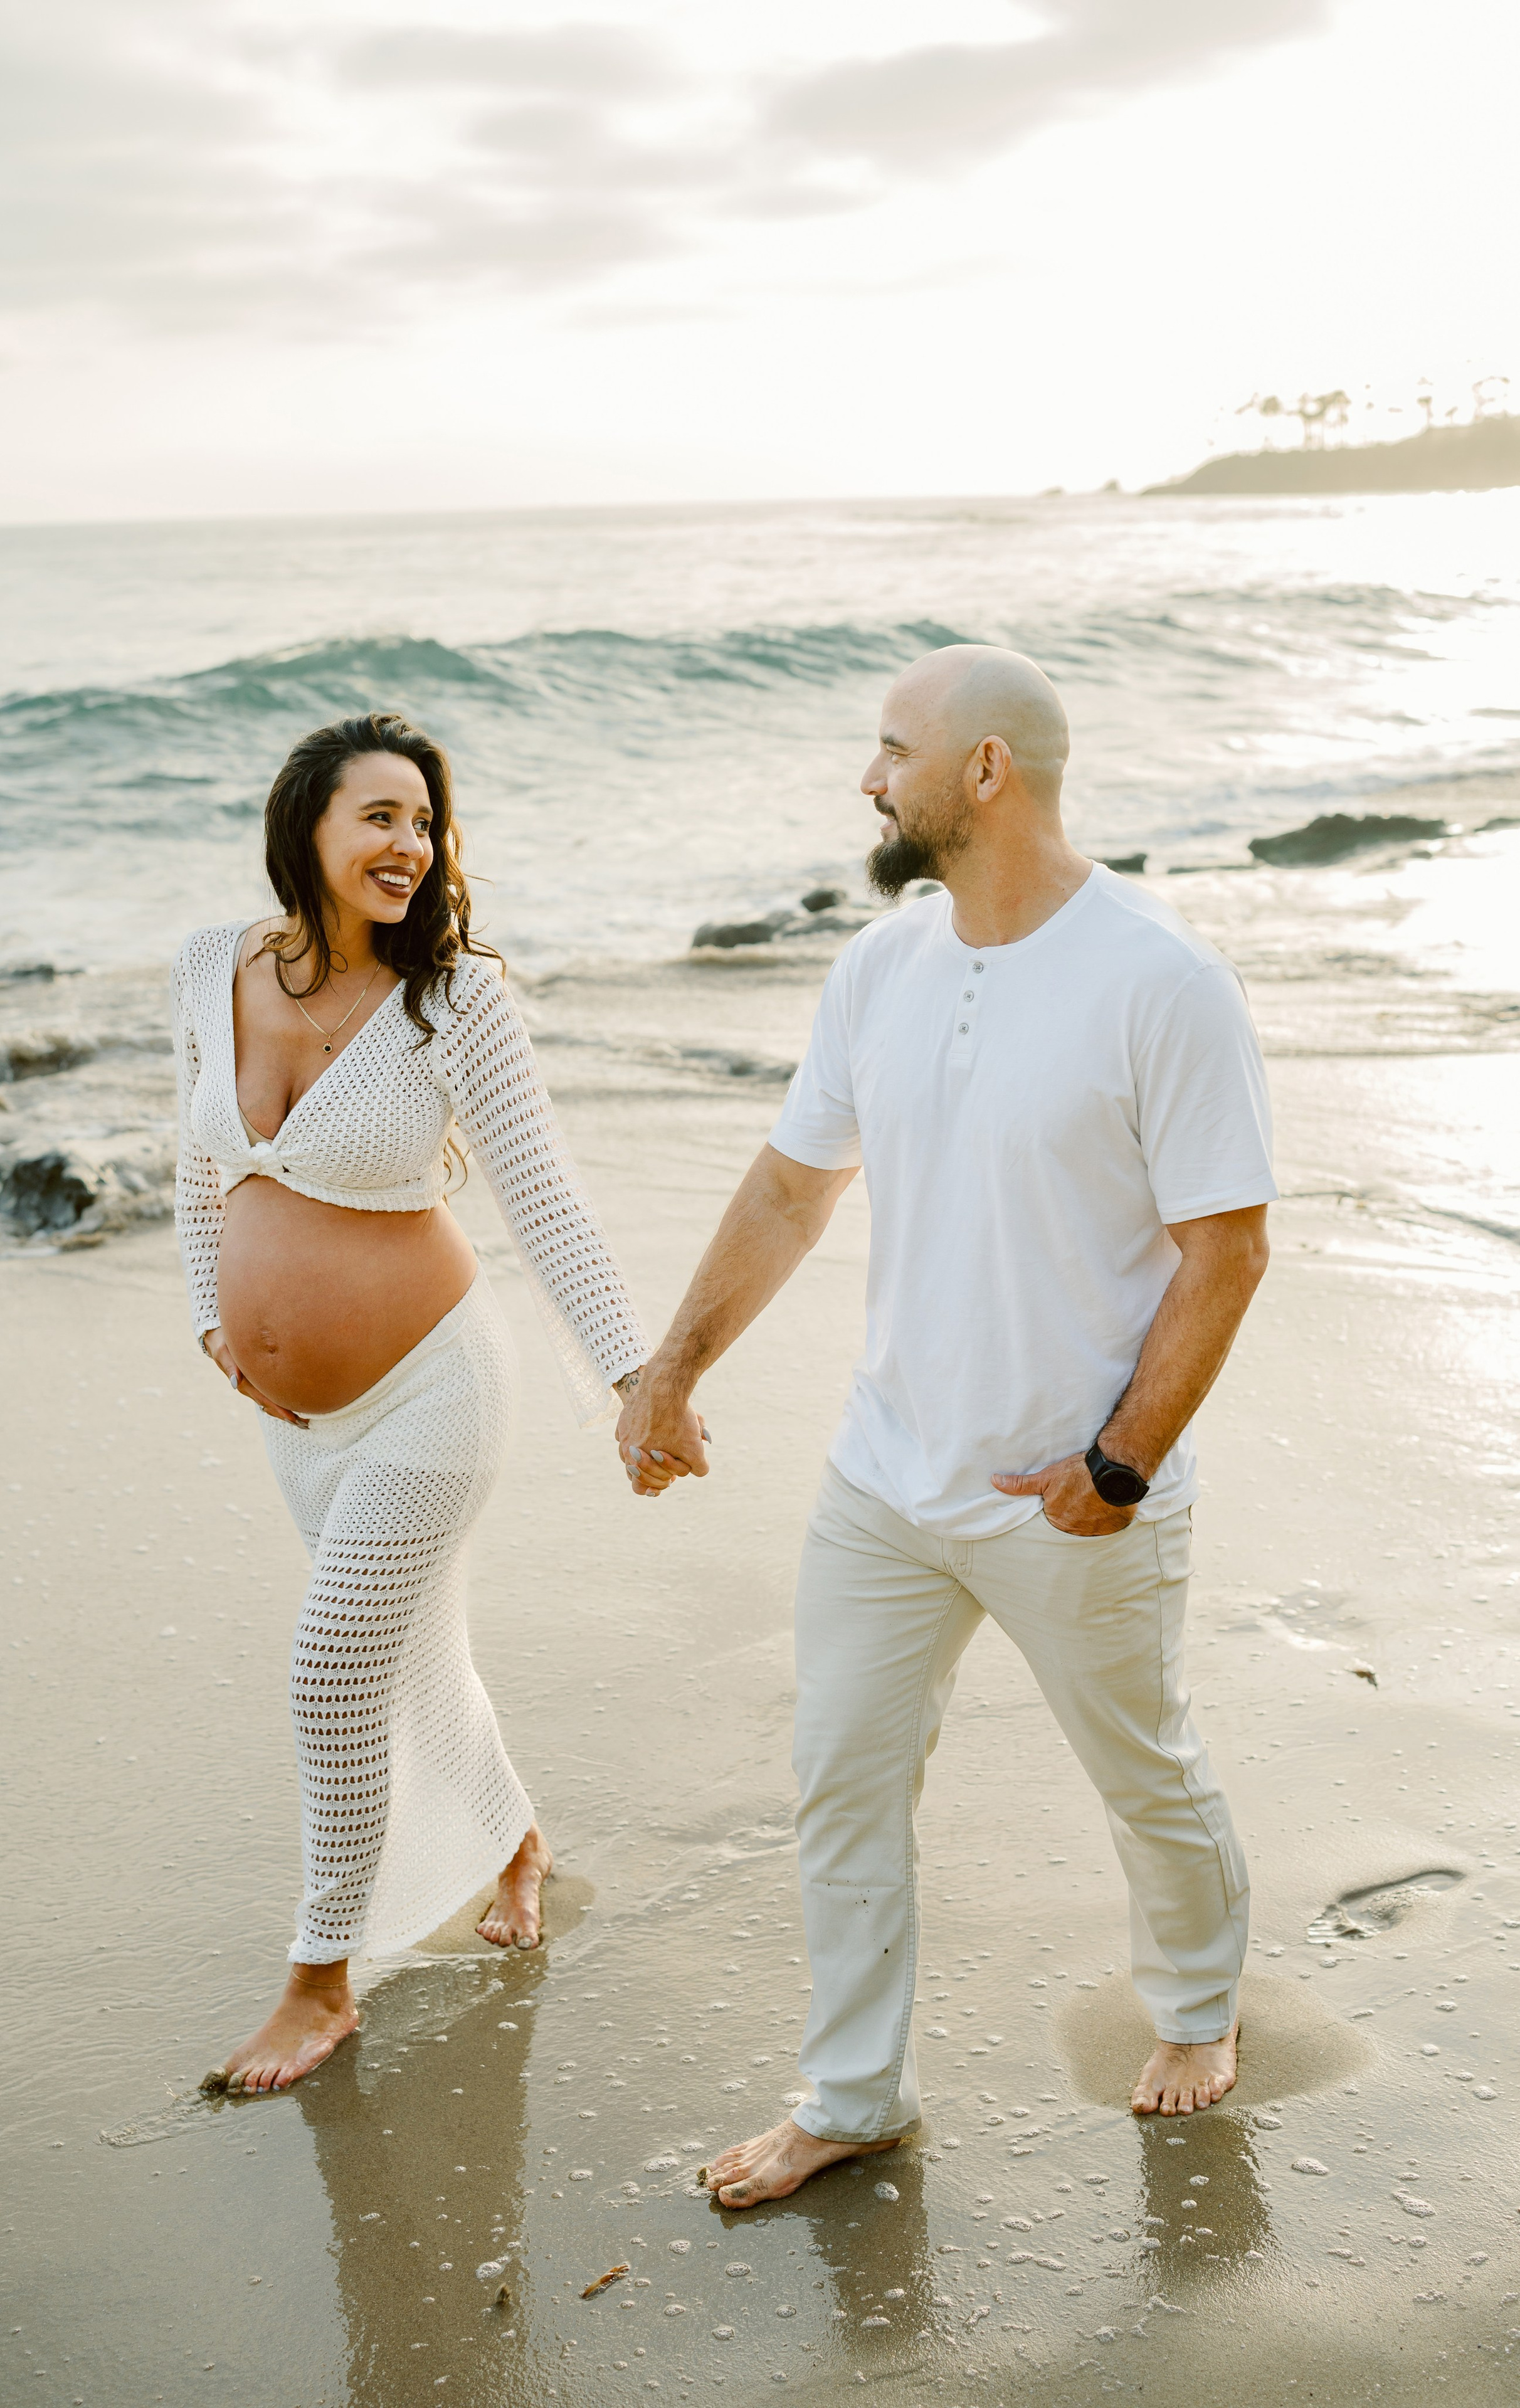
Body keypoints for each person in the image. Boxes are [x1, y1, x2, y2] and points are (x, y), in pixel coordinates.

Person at [617, 643, 1276, 2204]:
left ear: (984, 771)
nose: (867, 775)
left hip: (1071, 1485)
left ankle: (1193, 2009)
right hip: (884, 1475)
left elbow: (1227, 1247)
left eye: (891, 747)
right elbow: (792, 1185)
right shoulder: (881, 961)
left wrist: (1118, 1467)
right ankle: (851, 2094)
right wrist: (671, 1366)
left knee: (1140, 1767)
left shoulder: (1158, 977)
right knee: (839, 1774)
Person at [172, 711, 648, 2094]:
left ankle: (320, 1984)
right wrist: (214, 1316)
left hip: (434, 1396)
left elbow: (542, 1199)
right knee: (419, 1661)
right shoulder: (212, 969)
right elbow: (195, 1165)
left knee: (332, 1677)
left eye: (425, 822)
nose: (409, 845)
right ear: (306, 826)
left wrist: (634, 1380)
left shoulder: (456, 1000)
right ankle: (513, 1845)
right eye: (379, 815)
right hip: (294, 1427)